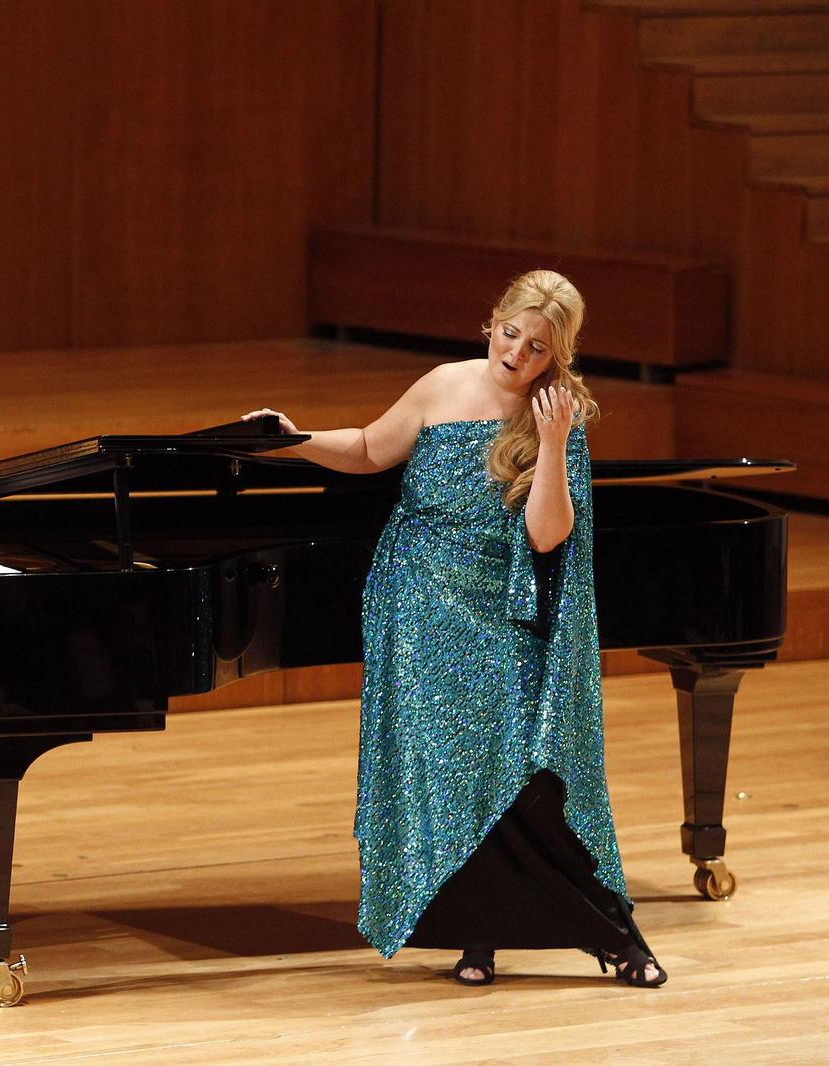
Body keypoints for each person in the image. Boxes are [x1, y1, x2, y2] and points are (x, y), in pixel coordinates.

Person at [245, 270, 665, 987]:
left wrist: (555, 443)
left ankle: (618, 938)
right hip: (417, 610)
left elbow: (547, 535)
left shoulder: (554, 414)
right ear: (492, 322)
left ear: (558, 354)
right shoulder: (443, 384)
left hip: (501, 615)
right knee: (447, 778)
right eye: (510, 334)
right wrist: (296, 440)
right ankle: (478, 938)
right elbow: (370, 450)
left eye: (537, 347)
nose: (516, 354)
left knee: (526, 779)